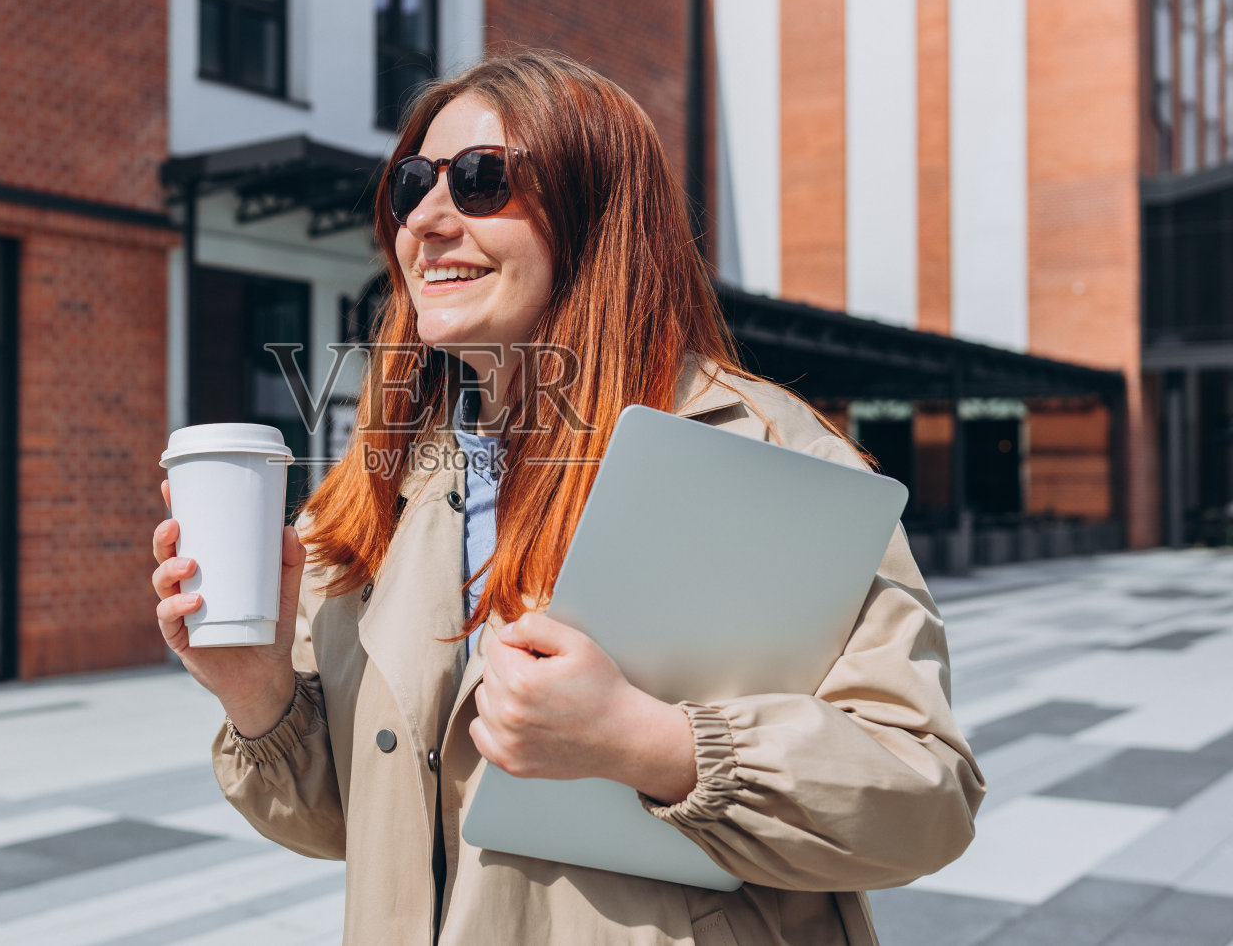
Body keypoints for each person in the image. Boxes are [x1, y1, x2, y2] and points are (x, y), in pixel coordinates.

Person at [151, 51, 985, 945]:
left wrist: (650, 743)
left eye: (480, 182)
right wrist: (259, 693)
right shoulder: (387, 483)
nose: (427, 220)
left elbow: (924, 796)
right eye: (410, 186)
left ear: (596, 213)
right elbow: (342, 824)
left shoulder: (761, 449)